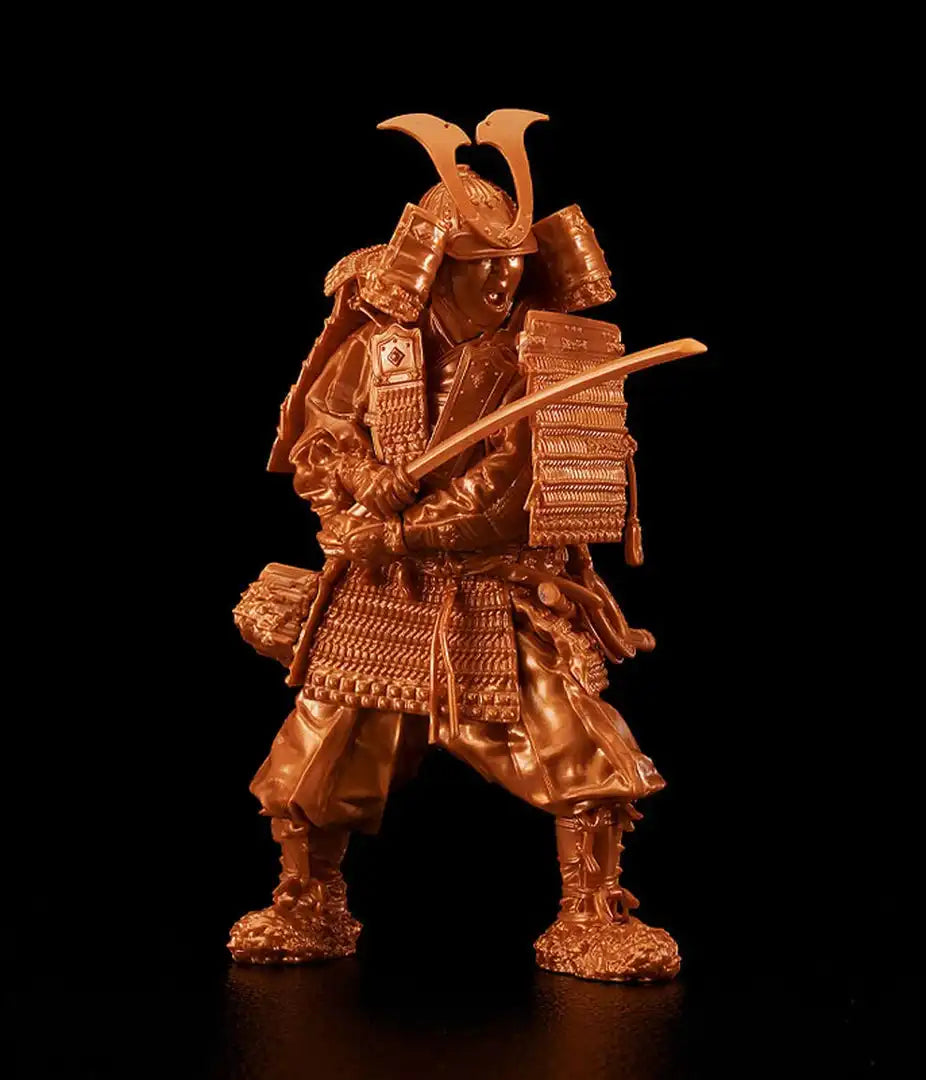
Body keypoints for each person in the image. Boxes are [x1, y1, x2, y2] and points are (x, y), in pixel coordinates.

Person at [228, 111, 680, 982]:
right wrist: (359, 476)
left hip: (497, 588)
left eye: (513, 268)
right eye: (482, 269)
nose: (503, 284)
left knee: (579, 746)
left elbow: (510, 490)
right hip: (383, 593)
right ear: (437, 269)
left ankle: (592, 912)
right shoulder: (377, 348)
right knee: (318, 749)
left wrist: (401, 526)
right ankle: (307, 900)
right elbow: (320, 430)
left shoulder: (541, 362)